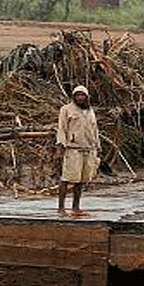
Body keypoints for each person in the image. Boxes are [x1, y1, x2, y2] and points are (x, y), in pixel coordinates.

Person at [55, 85, 99, 216]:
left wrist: (98, 145)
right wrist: (60, 145)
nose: (80, 97)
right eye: (78, 95)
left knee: (81, 180)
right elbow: (62, 128)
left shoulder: (90, 111)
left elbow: (95, 129)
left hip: (88, 148)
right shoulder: (66, 110)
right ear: (74, 96)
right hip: (72, 149)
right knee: (67, 178)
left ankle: (76, 206)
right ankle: (61, 207)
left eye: (83, 95)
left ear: (86, 97)